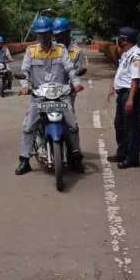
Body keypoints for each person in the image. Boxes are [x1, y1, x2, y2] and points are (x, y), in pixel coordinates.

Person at [15, 16, 84, 175]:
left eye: (46, 34)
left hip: (61, 95)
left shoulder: (61, 49)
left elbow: (70, 70)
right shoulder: (31, 51)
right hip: (39, 96)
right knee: (28, 126)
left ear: (51, 34)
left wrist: (75, 83)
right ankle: (24, 160)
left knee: (72, 125)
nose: (43, 37)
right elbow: (25, 72)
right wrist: (25, 86)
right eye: (40, 34)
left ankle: (76, 157)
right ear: (37, 35)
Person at [107, 27, 140, 169]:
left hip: (131, 94)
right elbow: (123, 73)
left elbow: (135, 80)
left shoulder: (136, 56)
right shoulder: (126, 54)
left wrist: (130, 99)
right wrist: (113, 86)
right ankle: (122, 153)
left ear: (126, 40)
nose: (118, 41)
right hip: (123, 94)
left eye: (120, 38)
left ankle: (132, 158)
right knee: (120, 125)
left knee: (131, 128)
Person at [53, 17, 87, 110]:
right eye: (56, 35)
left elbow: (79, 69)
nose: (58, 38)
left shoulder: (77, 51)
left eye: (61, 35)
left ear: (68, 33)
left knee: (69, 115)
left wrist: (76, 84)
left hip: (69, 89)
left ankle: (73, 124)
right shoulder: (50, 49)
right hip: (50, 89)